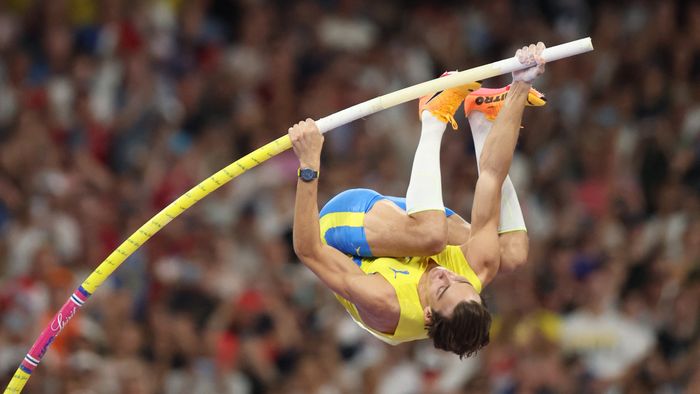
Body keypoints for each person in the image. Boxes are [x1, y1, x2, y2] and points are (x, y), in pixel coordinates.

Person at [290, 43, 546, 358]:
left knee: (432, 237)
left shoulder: (384, 300)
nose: (447, 275)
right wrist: (521, 84)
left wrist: (308, 166)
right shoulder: (474, 271)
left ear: (428, 315)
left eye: (442, 289)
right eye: (459, 281)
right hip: (404, 238)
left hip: (342, 233)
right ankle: (481, 116)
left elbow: (308, 248)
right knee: (511, 253)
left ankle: (433, 115)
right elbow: (491, 176)